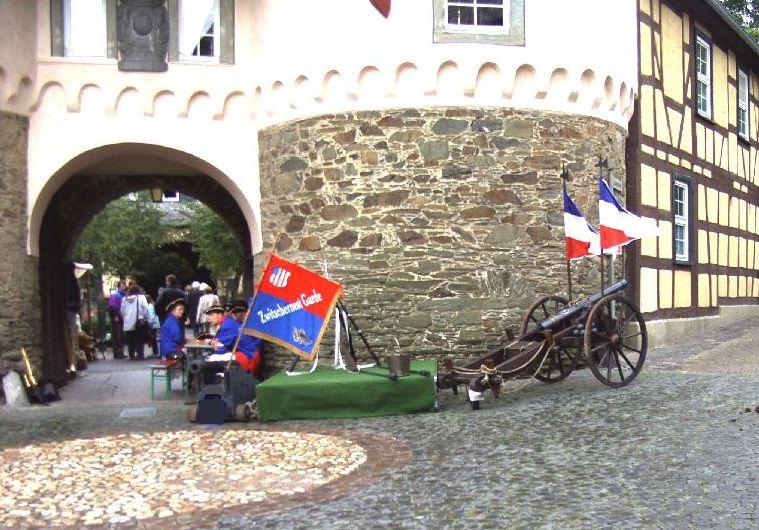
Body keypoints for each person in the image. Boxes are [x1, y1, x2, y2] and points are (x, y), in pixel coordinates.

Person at [212, 302, 262, 376]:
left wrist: (213, 347)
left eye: (240, 312)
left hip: (247, 356)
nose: (237, 315)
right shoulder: (240, 324)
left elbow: (222, 346)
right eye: (235, 312)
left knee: (212, 359)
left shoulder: (233, 325)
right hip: (250, 355)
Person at [120, 284, 149, 360]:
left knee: (130, 339)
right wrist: (145, 317)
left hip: (128, 322)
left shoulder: (125, 299)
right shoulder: (142, 298)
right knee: (139, 338)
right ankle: (140, 354)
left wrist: (125, 319)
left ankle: (131, 355)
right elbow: (146, 309)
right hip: (139, 321)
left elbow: (122, 311)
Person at [107, 281, 126, 359]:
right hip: (117, 318)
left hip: (121, 318)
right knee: (117, 335)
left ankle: (120, 352)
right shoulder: (116, 295)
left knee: (121, 336)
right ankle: (118, 353)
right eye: (122, 286)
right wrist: (115, 315)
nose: (123, 287)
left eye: (124, 286)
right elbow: (112, 306)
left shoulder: (123, 295)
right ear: (119, 287)